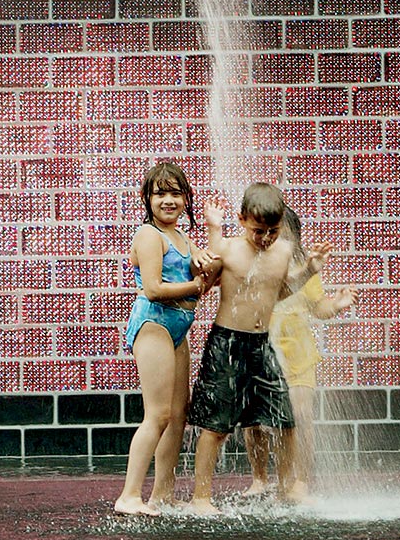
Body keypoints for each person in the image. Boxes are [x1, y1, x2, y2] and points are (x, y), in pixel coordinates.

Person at [186, 182, 331, 515]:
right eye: (258, 231)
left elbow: (278, 292)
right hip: (228, 343)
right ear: (241, 221)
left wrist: (309, 269)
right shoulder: (229, 248)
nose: (265, 238)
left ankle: (287, 488)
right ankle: (201, 498)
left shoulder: (282, 252)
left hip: (261, 344)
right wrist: (210, 230)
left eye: (272, 231)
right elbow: (204, 280)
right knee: (216, 425)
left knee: (285, 419)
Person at [114, 159, 221, 516]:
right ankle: (130, 495)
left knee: (178, 415)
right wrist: (196, 286)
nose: (168, 201)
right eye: (160, 194)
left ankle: (162, 494)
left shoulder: (181, 237)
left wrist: (211, 244)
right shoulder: (149, 235)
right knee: (157, 414)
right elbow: (155, 289)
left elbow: (207, 272)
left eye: (175, 193)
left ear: (186, 198)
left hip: (179, 327)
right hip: (154, 325)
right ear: (147, 198)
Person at [244, 207, 358, 502]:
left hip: (298, 356)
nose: (276, 241)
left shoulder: (305, 269)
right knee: (255, 420)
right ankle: (260, 478)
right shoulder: (253, 266)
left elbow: (318, 309)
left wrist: (337, 304)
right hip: (260, 354)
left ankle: (301, 483)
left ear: (296, 240)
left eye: (283, 235)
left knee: (301, 416)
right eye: (270, 234)